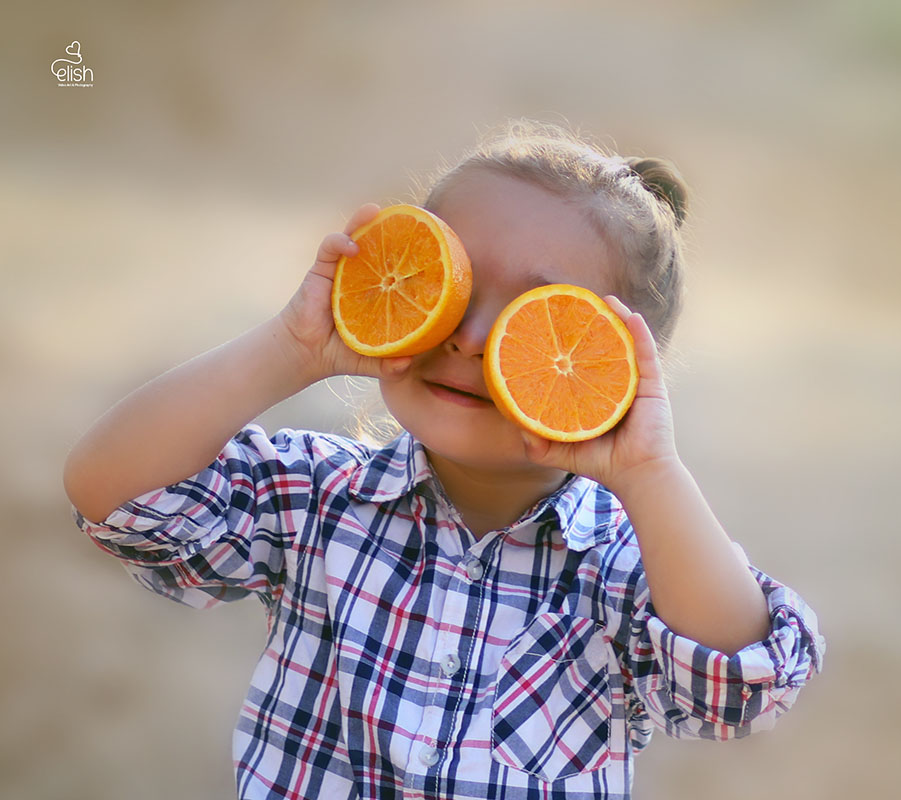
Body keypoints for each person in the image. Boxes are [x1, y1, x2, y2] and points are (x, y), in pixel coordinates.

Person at [63, 120, 825, 800]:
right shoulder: (315, 497)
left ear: (607, 363)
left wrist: (650, 470)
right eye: (450, 290)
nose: (469, 336)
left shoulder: (629, 564)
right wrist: (289, 350)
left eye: (533, 316)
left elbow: (740, 684)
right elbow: (113, 495)